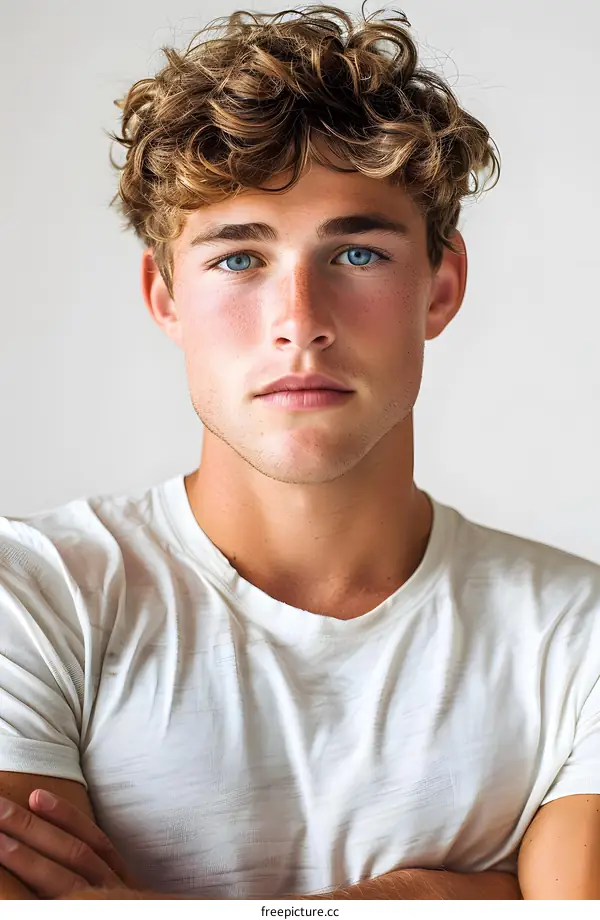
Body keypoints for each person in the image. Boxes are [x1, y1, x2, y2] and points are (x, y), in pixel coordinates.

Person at [0, 4, 599, 902]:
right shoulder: (34, 596)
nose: (300, 325)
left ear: (441, 287)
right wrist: (443, 897)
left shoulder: (578, 636)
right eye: (239, 260)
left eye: (356, 253)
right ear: (165, 297)